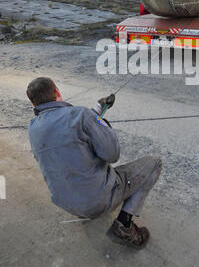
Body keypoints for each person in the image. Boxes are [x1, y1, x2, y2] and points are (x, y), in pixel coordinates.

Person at [26, 77, 162, 249]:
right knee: (154, 163)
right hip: (96, 202)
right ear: (57, 92)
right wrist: (103, 125)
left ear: (34, 104)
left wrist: (98, 108)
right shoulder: (82, 115)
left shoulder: (32, 128)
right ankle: (124, 226)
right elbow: (112, 155)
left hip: (67, 204)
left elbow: (68, 126)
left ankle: (91, 209)